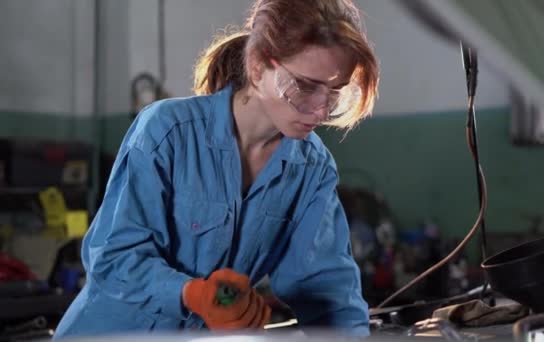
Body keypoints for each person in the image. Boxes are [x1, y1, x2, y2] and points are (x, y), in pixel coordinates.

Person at [54, 0, 379, 337]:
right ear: (257, 67)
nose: (320, 109)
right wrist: (192, 294)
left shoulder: (312, 169)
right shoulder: (167, 131)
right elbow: (112, 259)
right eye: (305, 86)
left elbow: (326, 290)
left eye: (335, 92)